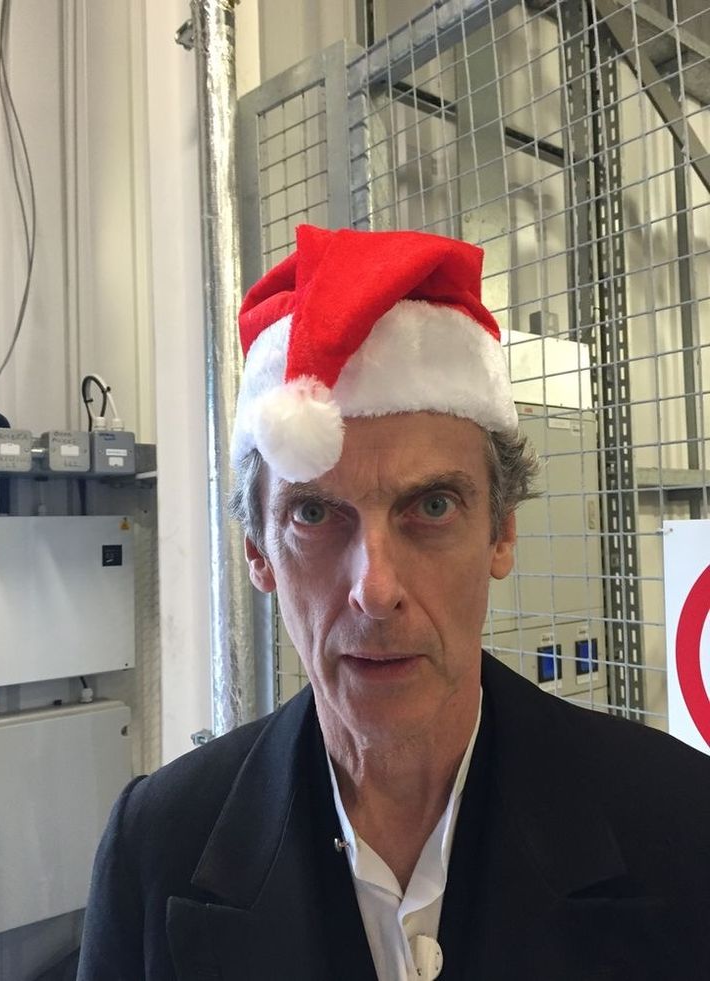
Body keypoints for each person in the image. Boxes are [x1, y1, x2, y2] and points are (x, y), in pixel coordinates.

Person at [77, 226, 710, 981]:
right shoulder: (155, 850)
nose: (376, 589)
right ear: (257, 552)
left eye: (432, 505)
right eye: (314, 515)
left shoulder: (679, 825)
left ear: (501, 533)